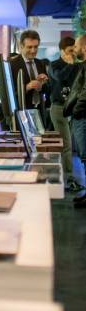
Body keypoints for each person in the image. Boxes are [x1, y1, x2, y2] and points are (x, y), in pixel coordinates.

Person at [49, 35, 81, 192]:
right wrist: (69, 65)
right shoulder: (54, 65)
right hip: (58, 109)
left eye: (74, 50)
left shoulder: (77, 65)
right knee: (66, 145)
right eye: (69, 51)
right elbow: (60, 78)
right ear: (62, 51)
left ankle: (66, 178)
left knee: (70, 145)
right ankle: (68, 180)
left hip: (73, 109)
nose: (72, 54)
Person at [8, 29, 50, 113]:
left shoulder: (40, 64)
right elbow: (8, 94)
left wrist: (43, 84)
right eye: (29, 47)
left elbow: (48, 91)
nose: (33, 51)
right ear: (21, 46)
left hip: (40, 111)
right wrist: (26, 87)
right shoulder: (11, 65)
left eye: (36, 47)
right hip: (21, 112)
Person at [71, 35, 86, 208]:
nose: (74, 49)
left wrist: (76, 110)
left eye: (76, 46)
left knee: (85, 156)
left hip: (82, 115)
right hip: (81, 115)